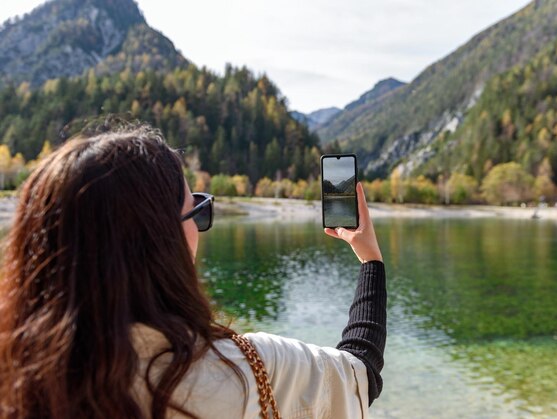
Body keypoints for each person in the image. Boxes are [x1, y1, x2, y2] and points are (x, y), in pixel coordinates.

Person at [0, 121, 386, 419]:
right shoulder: (248, 369)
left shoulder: (16, 379)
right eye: (197, 211)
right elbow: (358, 375)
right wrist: (370, 262)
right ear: (162, 239)